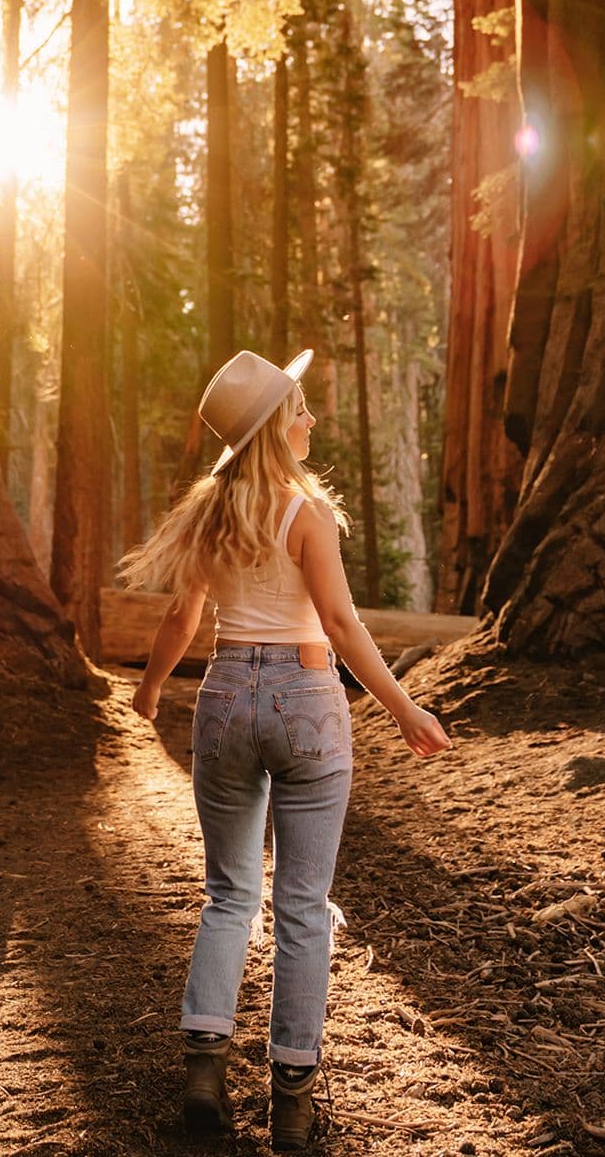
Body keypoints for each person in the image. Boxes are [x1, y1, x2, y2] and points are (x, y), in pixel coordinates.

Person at [122, 346, 450, 1149]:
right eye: (299, 407)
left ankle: (204, 1071)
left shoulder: (211, 514)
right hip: (306, 700)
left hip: (226, 697)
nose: (310, 418)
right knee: (303, 906)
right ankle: (293, 1103)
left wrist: (152, 685)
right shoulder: (305, 515)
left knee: (230, 893)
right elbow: (340, 626)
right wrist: (403, 707)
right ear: (275, 426)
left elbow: (180, 621)